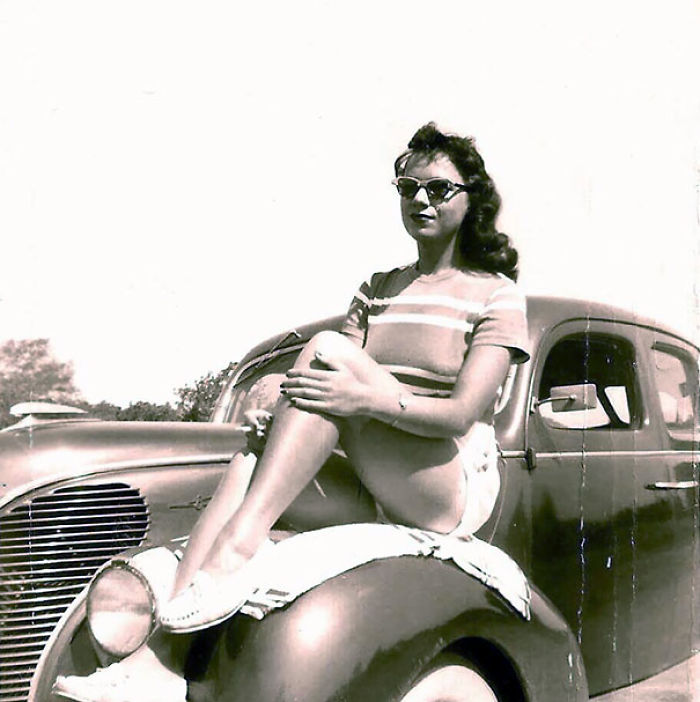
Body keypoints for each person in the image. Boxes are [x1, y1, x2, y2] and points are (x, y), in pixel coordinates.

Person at [53, 122, 530, 702]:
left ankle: (236, 550)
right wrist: (279, 402)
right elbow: (326, 389)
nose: (420, 199)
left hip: (442, 484)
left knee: (329, 353)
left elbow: (461, 413)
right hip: (368, 473)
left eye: (438, 188)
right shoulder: (378, 287)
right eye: (407, 187)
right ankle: (159, 657)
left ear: (471, 198)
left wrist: (366, 400)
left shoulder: (495, 294)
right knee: (253, 459)